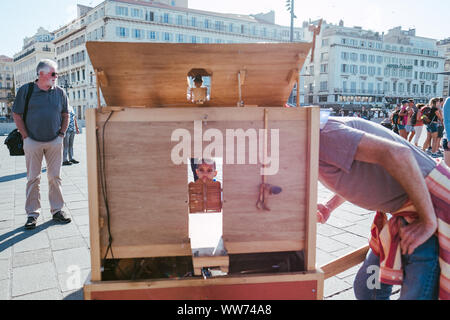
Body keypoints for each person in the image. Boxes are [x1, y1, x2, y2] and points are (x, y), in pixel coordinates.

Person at [317, 116, 449, 300]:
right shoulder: (318, 132)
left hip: (430, 209)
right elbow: (353, 170)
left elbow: (399, 154)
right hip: (407, 213)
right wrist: (330, 206)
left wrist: (428, 222)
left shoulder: (322, 134)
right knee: (368, 290)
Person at [12, 59, 72, 230]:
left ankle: (58, 210)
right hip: (32, 142)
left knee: (55, 177)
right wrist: (25, 137)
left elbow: (65, 115)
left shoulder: (60, 92)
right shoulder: (26, 90)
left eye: (56, 73)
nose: (56, 76)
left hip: (54, 141)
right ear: (41, 74)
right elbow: (17, 114)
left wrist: (61, 135)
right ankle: (32, 214)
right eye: (53, 73)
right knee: (33, 179)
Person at [444, 97, 450, 167]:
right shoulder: (449, 100)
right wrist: (449, 139)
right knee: (448, 170)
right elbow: (447, 121)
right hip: (448, 138)